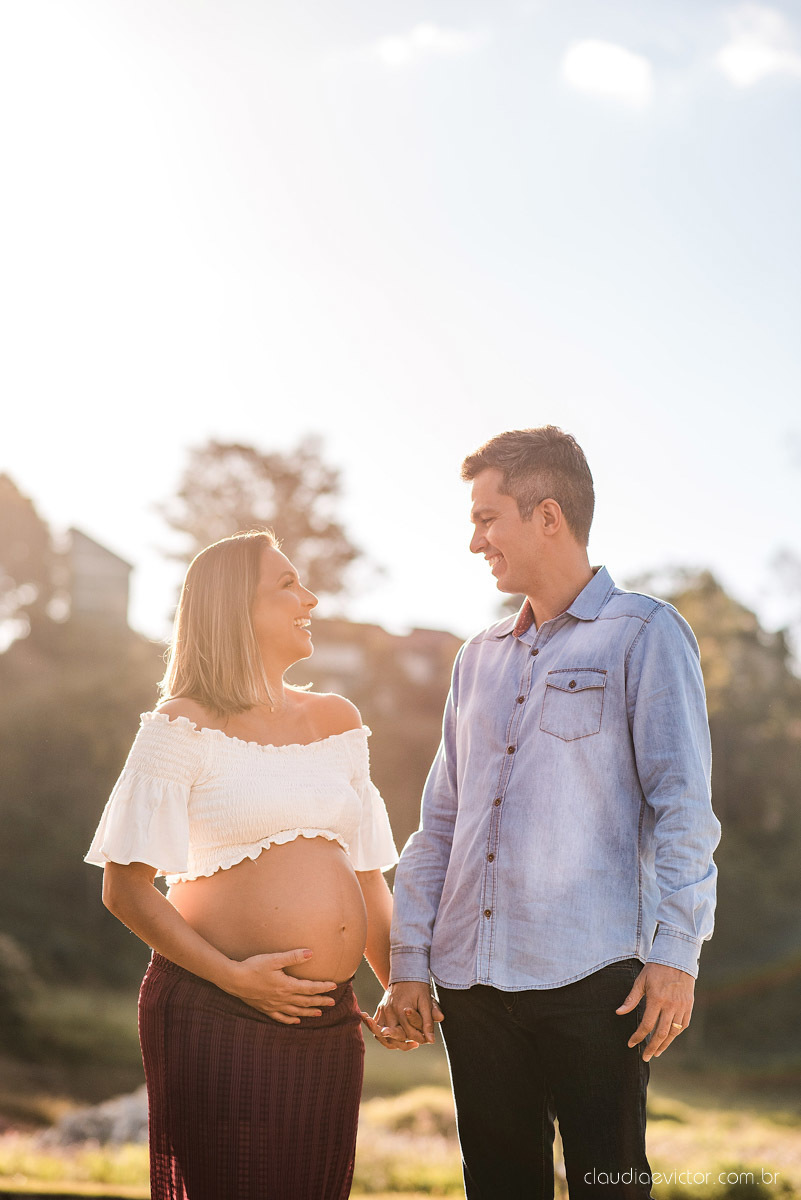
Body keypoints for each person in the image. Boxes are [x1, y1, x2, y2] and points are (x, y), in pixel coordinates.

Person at [375, 427, 721, 1199]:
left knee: (609, 1185)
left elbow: (683, 810)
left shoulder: (644, 633)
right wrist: (408, 963)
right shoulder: (476, 658)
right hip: (470, 984)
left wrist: (675, 954)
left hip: (593, 980)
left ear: (548, 516)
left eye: (487, 518)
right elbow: (439, 826)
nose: (474, 541)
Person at [85, 529, 401, 1200]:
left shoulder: (337, 721)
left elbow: (368, 872)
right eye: (287, 585)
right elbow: (126, 890)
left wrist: (399, 984)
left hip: (326, 1021)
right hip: (216, 1010)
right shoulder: (181, 725)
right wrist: (234, 978)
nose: (309, 598)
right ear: (234, 609)